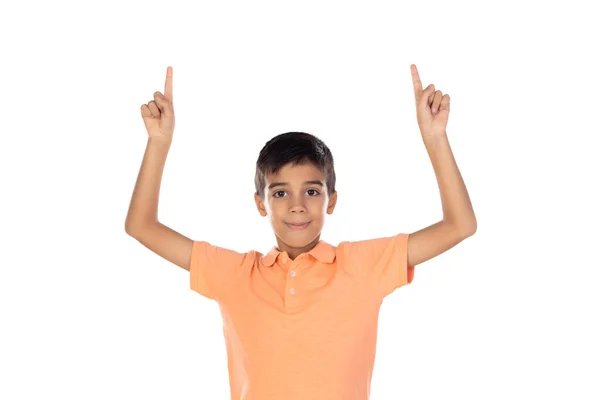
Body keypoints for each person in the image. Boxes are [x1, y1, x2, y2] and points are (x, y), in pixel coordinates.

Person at [125, 65, 477, 400]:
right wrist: (159, 142)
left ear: (331, 200)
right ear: (260, 203)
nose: (297, 205)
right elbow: (141, 226)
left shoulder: (360, 265)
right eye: (280, 193)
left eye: (311, 191)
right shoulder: (234, 274)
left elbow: (459, 225)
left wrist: (435, 137)